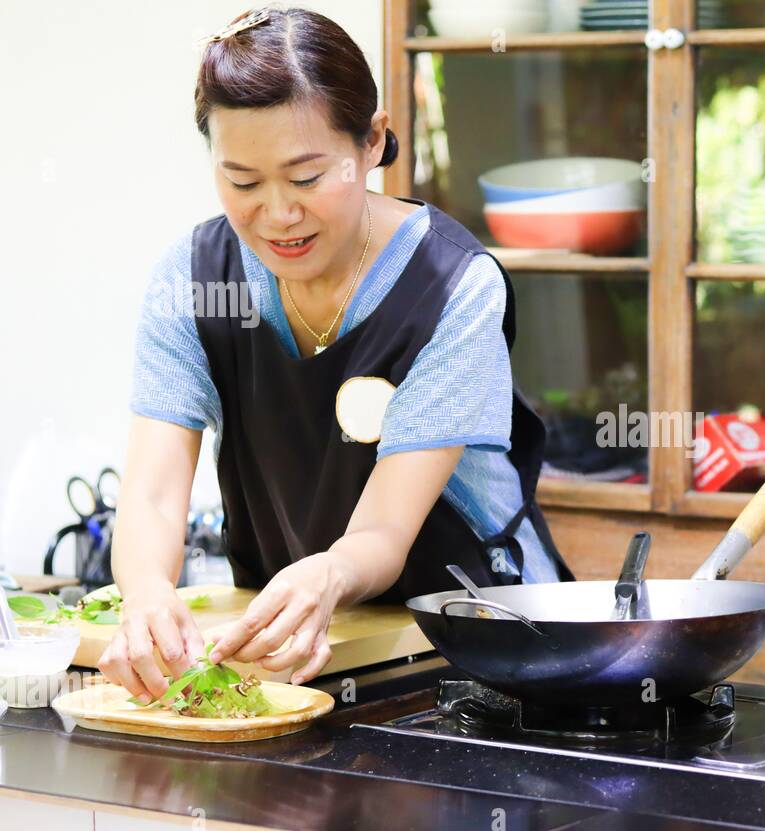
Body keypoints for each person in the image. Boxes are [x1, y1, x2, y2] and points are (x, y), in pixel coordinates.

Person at [99, 6, 569, 702]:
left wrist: (324, 576)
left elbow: (382, 530)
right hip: (317, 657)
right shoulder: (193, 278)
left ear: (373, 140)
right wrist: (145, 594)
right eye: (244, 182)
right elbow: (153, 492)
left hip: (485, 648)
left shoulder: (451, 287)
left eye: (308, 177)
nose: (279, 214)